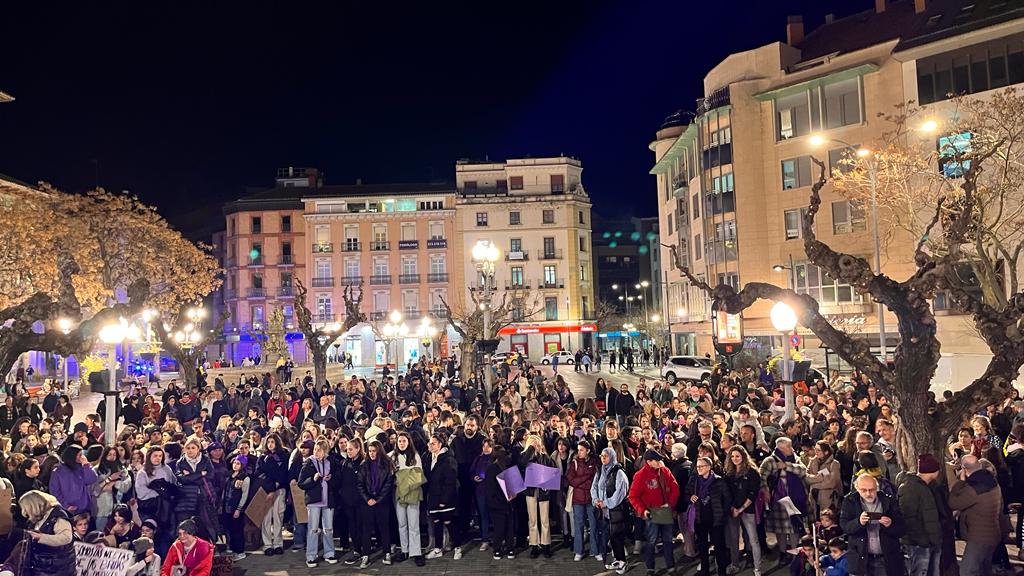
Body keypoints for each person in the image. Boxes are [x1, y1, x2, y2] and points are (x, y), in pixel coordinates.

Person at [949, 454, 1005, 576]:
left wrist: (960, 482)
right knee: (984, 570)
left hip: (979, 538)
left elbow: (953, 503)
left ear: (964, 469)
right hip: (993, 533)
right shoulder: (992, 482)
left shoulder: (973, 489)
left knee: (967, 571)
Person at [839, 474, 906, 576]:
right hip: (859, 560)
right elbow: (845, 527)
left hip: (886, 559)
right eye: (863, 490)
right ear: (857, 489)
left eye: (871, 490)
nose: (868, 493)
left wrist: (890, 525)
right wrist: (859, 522)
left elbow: (902, 529)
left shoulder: (889, 501)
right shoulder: (850, 502)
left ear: (877, 488)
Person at [628, 449, 680, 576]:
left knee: (668, 541)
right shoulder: (640, 475)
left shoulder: (665, 471)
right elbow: (633, 496)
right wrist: (643, 510)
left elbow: (675, 489)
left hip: (665, 511)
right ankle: (650, 568)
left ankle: (670, 566)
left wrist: (670, 505)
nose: (659, 462)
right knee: (651, 542)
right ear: (649, 462)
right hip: (652, 513)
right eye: (657, 460)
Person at [898, 454, 943, 576]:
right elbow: (908, 518)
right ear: (934, 471)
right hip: (918, 544)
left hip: (929, 542)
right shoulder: (910, 488)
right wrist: (922, 541)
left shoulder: (928, 487)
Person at [297, 439, 340, 568]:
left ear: (325, 451)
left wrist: (331, 479)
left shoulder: (331, 462)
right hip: (314, 501)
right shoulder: (309, 463)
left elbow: (338, 480)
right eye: (315, 449)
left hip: (328, 501)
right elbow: (301, 483)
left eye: (319, 450)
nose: (316, 452)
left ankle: (329, 553)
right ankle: (311, 555)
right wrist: (313, 479)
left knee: (328, 528)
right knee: (313, 529)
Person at [686, 456, 732, 576]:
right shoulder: (694, 480)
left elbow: (727, 499)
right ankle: (704, 569)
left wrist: (723, 514)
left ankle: (721, 570)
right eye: (697, 466)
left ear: (709, 467)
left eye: (702, 466)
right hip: (700, 518)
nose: (699, 468)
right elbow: (687, 493)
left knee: (719, 546)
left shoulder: (719, 481)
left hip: (716, 518)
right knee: (702, 546)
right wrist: (690, 497)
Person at [724, 446, 762, 576]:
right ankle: (734, 564)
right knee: (733, 539)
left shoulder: (752, 472)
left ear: (743, 456)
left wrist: (740, 509)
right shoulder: (729, 472)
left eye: (737, 456)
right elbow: (726, 492)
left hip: (747, 509)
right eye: (732, 456)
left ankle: (757, 568)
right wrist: (732, 508)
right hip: (732, 509)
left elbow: (753, 494)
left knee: (753, 540)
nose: (734, 459)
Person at [356, 440, 394, 568]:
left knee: (384, 528)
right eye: (370, 451)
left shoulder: (387, 464)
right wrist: (368, 499)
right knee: (366, 529)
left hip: (382, 502)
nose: (372, 453)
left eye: (374, 451)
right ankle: (366, 555)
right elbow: (360, 484)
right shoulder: (364, 465)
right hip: (367, 502)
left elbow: (388, 484)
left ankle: (387, 552)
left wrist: (378, 499)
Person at [19, 490, 76, 576]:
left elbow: (66, 538)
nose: (24, 512)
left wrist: (41, 537)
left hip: (57, 569)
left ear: (33, 506)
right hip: (43, 567)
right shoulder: (38, 517)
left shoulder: (58, 516)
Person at [425, 432, 460, 560]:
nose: (430, 446)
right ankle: (438, 549)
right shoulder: (428, 457)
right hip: (433, 497)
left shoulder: (448, 459)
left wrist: (444, 500)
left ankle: (457, 547)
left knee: (448, 522)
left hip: (445, 498)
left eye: (433, 444)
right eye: (429, 443)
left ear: (440, 444)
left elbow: (450, 481)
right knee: (436, 523)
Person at [392, 431, 426, 566]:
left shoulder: (415, 456)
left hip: (412, 493)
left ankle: (416, 552)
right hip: (399, 494)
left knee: (413, 524)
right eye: (399, 441)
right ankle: (404, 550)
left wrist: (403, 480)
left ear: (408, 442)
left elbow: (418, 476)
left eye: (404, 441)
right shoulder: (393, 456)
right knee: (402, 524)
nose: (401, 443)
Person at [567, 439, 600, 561]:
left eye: (581, 450)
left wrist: (581, 480)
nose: (579, 452)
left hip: (591, 498)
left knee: (594, 524)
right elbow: (571, 481)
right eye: (578, 450)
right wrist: (587, 476)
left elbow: (596, 480)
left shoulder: (595, 462)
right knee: (579, 525)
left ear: (588, 451)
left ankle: (595, 550)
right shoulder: (574, 463)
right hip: (578, 499)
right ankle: (579, 551)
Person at [256, 432, 289, 555]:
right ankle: (267, 544)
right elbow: (259, 474)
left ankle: (278, 543)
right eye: (268, 442)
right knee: (266, 518)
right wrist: (269, 487)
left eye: (272, 442)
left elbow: (284, 473)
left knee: (278, 517)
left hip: (279, 490)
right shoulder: (262, 458)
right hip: (265, 492)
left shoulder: (283, 456)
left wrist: (276, 485)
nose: (270, 444)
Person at [221, 455, 251, 561]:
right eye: (234, 463)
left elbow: (244, 494)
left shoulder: (244, 478)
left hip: (236, 507)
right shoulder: (229, 476)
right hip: (227, 506)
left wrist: (239, 509)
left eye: (238, 464)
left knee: (238, 530)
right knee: (230, 529)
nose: (235, 465)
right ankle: (232, 548)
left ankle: (240, 551)